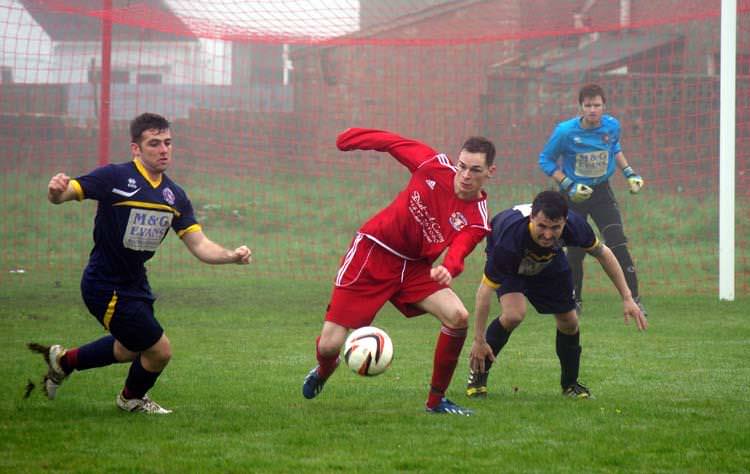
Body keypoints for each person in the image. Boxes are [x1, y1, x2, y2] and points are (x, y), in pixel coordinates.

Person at [28, 112, 252, 414]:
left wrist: (231, 257)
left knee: (128, 348)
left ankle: (64, 361)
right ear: (136, 149)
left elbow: (199, 244)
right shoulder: (115, 177)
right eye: (154, 144)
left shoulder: (174, 196)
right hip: (104, 284)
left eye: (168, 143)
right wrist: (56, 191)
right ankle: (130, 399)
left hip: (135, 283)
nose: (163, 150)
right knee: (160, 350)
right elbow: (68, 192)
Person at [302, 127, 496, 416]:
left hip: (416, 269)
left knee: (458, 317)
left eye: (475, 170)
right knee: (330, 345)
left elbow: (460, 250)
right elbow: (393, 143)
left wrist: (449, 268)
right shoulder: (433, 164)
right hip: (374, 252)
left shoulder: (478, 219)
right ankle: (324, 368)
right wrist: (350, 139)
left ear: (490, 171)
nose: (465, 175)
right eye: (462, 167)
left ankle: (436, 402)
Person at [465, 190, 647, 399]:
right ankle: (478, 376)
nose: (548, 234)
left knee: (570, 322)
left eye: (555, 228)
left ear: (565, 221)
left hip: (549, 261)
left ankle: (570, 385)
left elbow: (603, 254)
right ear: (532, 218)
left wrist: (627, 297)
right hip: (513, 264)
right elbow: (484, 292)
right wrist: (479, 339)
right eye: (541, 226)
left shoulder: (575, 225)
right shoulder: (509, 240)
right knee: (514, 314)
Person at [538, 83, 645, 316]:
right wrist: (569, 184)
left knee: (617, 242)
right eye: (588, 105)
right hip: (574, 196)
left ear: (603, 106)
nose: (593, 110)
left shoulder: (612, 126)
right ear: (581, 107)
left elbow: (614, 147)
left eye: (597, 105)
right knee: (575, 249)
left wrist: (629, 173)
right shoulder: (565, 132)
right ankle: (574, 301)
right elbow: (545, 160)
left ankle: (634, 300)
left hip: (602, 192)